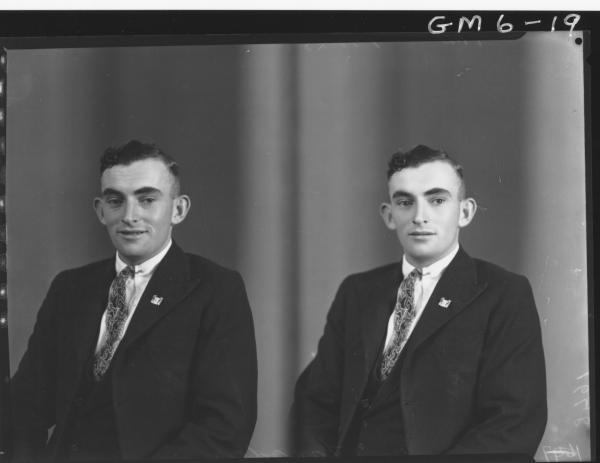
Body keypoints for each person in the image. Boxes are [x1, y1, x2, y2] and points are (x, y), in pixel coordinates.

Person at [292, 145, 547, 457]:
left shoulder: (503, 293)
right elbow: (314, 401)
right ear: (388, 215)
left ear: (465, 212)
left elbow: (513, 424)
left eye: (437, 200)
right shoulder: (358, 292)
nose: (419, 216)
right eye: (405, 202)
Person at [11, 140, 257, 461]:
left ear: (178, 209)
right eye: (116, 201)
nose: (130, 216)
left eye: (147, 199)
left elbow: (225, 428)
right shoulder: (70, 288)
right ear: (100, 211)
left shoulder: (215, 289)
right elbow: (24, 406)